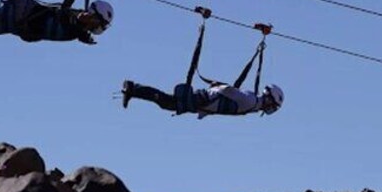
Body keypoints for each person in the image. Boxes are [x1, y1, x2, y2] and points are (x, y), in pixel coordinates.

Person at [121, 79, 284, 119]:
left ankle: (134, 90)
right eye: (273, 105)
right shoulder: (251, 101)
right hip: (202, 100)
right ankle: (133, 88)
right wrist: (212, 91)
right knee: (166, 102)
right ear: (270, 99)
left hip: (203, 104)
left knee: (166, 103)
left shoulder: (253, 105)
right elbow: (229, 90)